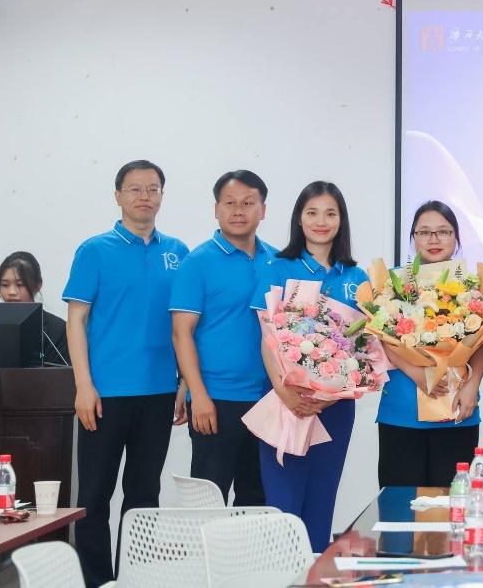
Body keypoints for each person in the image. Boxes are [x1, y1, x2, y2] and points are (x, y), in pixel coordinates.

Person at [63, 160, 189, 587]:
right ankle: (96, 581)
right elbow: (76, 320)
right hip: (104, 394)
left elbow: (185, 326)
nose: (144, 196)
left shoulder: (179, 253)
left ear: (162, 196)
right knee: (94, 497)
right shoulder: (94, 250)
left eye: (153, 189)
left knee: (144, 496)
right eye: (135, 189)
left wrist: (183, 382)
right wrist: (83, 385)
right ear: (118, 196)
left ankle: (135, 579)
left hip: (158, 392)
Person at [251, 181, 367, 552]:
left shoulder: (356, 277)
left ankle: (315, 572)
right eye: (312, 212)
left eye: (330, 213)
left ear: (341, 220)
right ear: (299, 219)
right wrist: (286, 393)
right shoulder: (278, 267)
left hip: (335, 408)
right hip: (285, 401)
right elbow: (267, 338)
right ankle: (284, 574)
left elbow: (364, 349)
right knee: (284, 505)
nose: (321, 221)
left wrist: (329, 397)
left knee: (321, 501)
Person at [170, 170, 275, 506]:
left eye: (248, 203)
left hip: (269, 399)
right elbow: (181, 333)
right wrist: (197, 395)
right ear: (216, 209)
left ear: (263, 210)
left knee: (258, 501)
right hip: (215, 400)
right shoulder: (197, 262)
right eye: (230, 203)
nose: (238, 210)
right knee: (208, 502)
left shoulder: (278, 261)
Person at [376, 201, 483, 487]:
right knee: (400, 503)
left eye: (443, 231)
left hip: (456, 406)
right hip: (402, 409)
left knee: (453, 502)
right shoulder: (395, 284)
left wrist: (472, 385)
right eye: (424, 232)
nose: (434, 239)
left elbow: (481, 345)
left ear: (456, 238)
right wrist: (416, 373)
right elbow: (382, 339)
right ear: (413, 238)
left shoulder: (472, 286)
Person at [0, 251, 69, 365]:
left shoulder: (57, 330)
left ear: (38, 285)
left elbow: (62, 371)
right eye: (5, 285)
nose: (11, 292)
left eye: (20, 285)